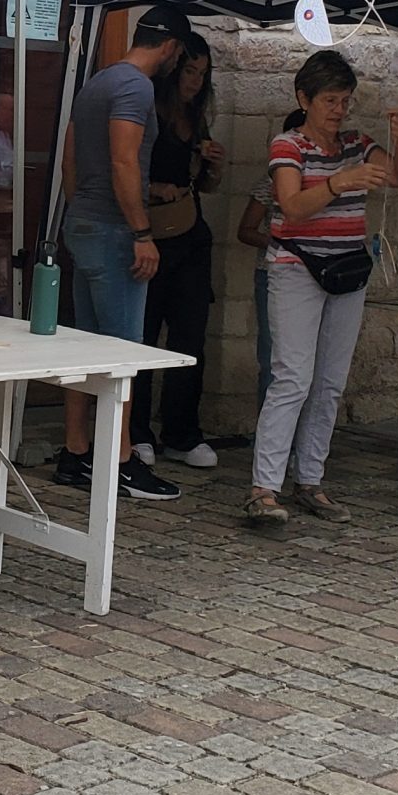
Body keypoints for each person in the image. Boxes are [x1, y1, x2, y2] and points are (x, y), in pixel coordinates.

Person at [248, 50, 398, 526]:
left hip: (345, 269)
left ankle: (310, 479)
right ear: (305, 99)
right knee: (292, 377)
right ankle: (264, 486)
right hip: (296, 267)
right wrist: (341, 183)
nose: (339, 109)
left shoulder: (358, 143)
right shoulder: (288, 145)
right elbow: (292, 205)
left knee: (330, 381)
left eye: (345, 100)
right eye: (329, 100)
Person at [56, 2, 192, 502]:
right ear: (172, 47)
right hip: (115, 232)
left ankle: (76, 452)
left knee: (84, 348)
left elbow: (71, 159)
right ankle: (121, 459)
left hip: (85, 222)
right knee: (122, 355)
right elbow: (123, 159)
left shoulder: (97, 82)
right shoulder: (136, 87)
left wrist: (83, 212)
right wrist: (140, 231)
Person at [133, 31, 226, 469]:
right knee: (144, 334)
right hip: (151, 232)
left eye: (202, 74)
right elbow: (125, 170)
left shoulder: (196, 115)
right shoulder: (149, 109)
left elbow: (204, 185)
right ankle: (136, 431)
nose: (195, 81)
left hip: (190, 234)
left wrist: (211, 165)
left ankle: (182, 432)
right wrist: (156, 189)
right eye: (189, 71)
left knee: (190, 336)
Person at [238, 109, 308, 407]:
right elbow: (246, 230)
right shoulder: (269, 185)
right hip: (273, 272)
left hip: (311, 275)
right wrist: (279, 241)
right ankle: (269, 439)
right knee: (273, 357)